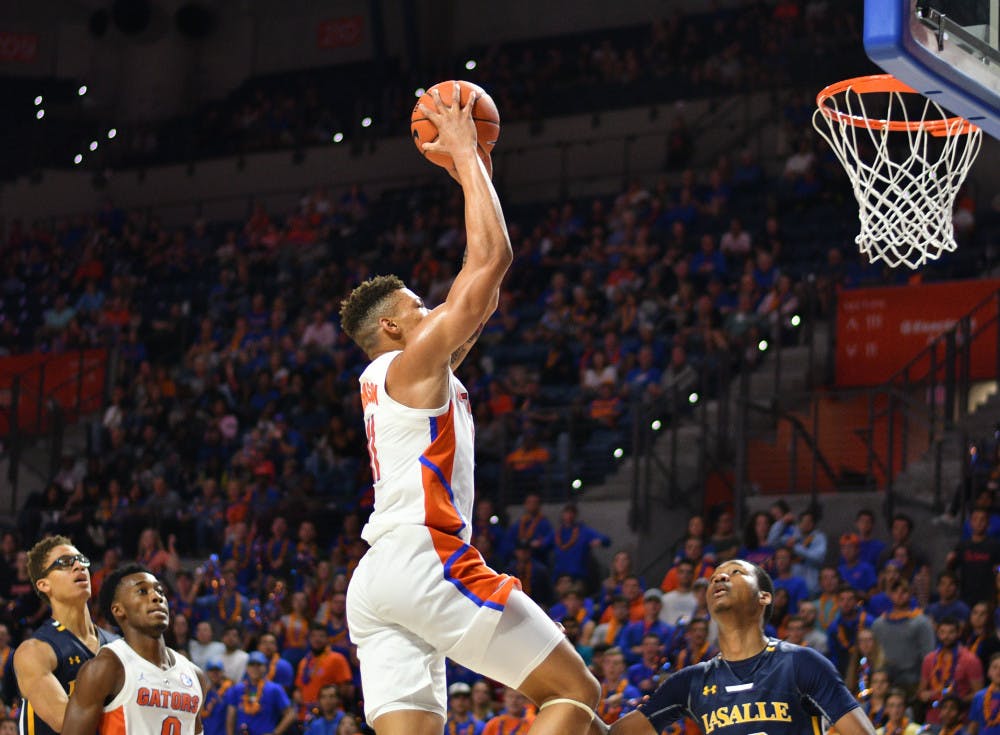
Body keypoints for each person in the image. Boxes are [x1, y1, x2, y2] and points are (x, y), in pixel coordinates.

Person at [339, 84, 601, 735]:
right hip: (425, 557)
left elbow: (481, 291)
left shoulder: (406, 377)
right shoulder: (409, 365)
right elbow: (492, 260)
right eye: (418, 307)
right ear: (393, 329)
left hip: (377, 579)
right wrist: (462, 149)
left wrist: (472, 168)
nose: (433, 310)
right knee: (574, 690)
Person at [607, 559, 875, 735]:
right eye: (714, 577)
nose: (720, 578)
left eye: (735, 572)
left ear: (764, 597)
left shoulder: (801, 663)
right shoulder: (690, 682)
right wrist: (580, 678)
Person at [60, 563, 207, 735]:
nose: (156, 597)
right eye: (142, 591)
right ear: (118, 610)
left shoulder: (194, 675)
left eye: (160, 591)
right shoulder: (106, 668)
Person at [14, 535, 117, 735]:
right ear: (44, 585)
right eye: (65, 563)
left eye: (81, 560)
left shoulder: (118, 645)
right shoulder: (34, 650)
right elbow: (69, 726)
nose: (79, 566)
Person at [225, 651, 296, 735]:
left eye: (259, 665)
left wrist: (275, 733)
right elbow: (231, 717)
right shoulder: (237, 689)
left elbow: (290, 714)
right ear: (246, 668)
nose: (255, 668)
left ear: (265, 667)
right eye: (252, 665)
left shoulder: (274, 689)